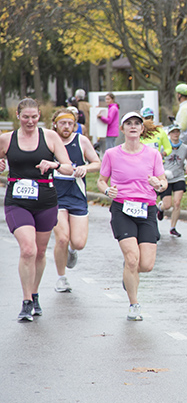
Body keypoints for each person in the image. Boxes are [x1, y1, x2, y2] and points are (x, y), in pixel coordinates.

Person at [0, 98, 73, 322]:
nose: (30, 121)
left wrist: (55, 165)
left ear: (39, 116)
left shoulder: (50, 137)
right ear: (18, 116)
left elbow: (69, 168)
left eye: (34, 117)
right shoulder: (6, 139)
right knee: (28, 250)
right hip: (17, 201)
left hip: (45, 200)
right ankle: (26, 302)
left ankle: (34, 293)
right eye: (25, 117)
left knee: (40, 252)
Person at [97, 111, 168, 321]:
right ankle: (134, 304)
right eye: (129, 123)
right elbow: (101, 180)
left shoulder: (152, 154)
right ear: (122, 129)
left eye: (137, 123)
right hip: (122, 209)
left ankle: (129, 271)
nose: (133, 126)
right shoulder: (112, 154)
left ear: (142, 129)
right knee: (132, 258)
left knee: (145, 265)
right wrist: (106, 190)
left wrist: (159, 184)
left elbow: (163, 182)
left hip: (147, 208)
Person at [50, 108, 101, 293]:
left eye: (70, 123)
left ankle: (72, 252)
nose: (66, 127)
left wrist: (84, 168)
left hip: (77, 195)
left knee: (78, 242)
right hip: (55, 196)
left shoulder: (81, 141)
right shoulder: (48, 140)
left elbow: (97, 163)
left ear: (75, 125)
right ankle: (61, 278)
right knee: (62, 238)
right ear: (55, 123)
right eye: (63, 123)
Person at [157, 124, 187, 237]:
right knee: (167, 205)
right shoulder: (165, 147)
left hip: (179, 177)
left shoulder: (184, 148)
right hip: (166, 178)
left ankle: (173, 227)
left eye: (177, 132)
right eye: (173, 132)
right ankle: (160, 207)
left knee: (177, 203)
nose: (175, 134)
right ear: (169, 134)